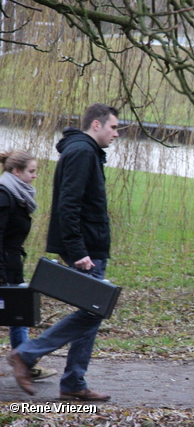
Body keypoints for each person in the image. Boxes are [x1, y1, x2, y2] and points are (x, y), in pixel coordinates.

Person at [7, 103, 119, 400]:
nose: (116, 133)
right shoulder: (82, 152)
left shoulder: (84, 151)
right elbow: (68, 205)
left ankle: (73, 383)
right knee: (95, 310)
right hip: (86, 249)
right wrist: (78, 250)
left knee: (92, 310)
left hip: (91, 246)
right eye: (113, 127)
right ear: (96, 125)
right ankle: (28, 353)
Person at [0, 150, 57, 381]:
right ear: (16, 171)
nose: (35, 176)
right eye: (31, 171)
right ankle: (24, 361)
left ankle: (24, 360)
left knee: (18, 313)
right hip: (4, 265)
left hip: (11, 264)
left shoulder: (16, 194)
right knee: (17, 312)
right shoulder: (5, 196)